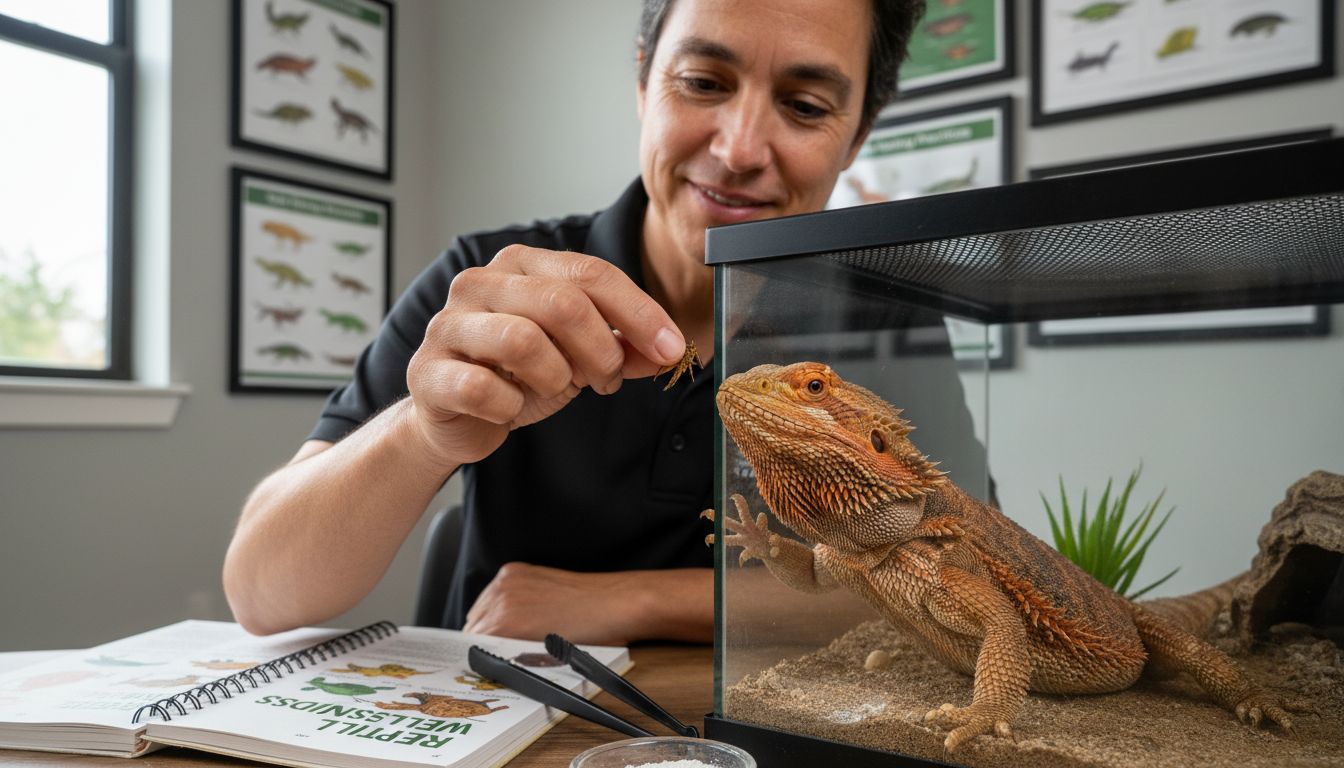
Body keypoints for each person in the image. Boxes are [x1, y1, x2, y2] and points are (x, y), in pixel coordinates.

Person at [223, 0, 928, 646]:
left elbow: (951, 585)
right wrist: (421, 432)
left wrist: (637, 600)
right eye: (704, 83)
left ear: (858, 133)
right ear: (644, 82)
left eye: (804, 106)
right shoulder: (487, 282)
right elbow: (262, 590)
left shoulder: (892, 317)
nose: (741, 149)